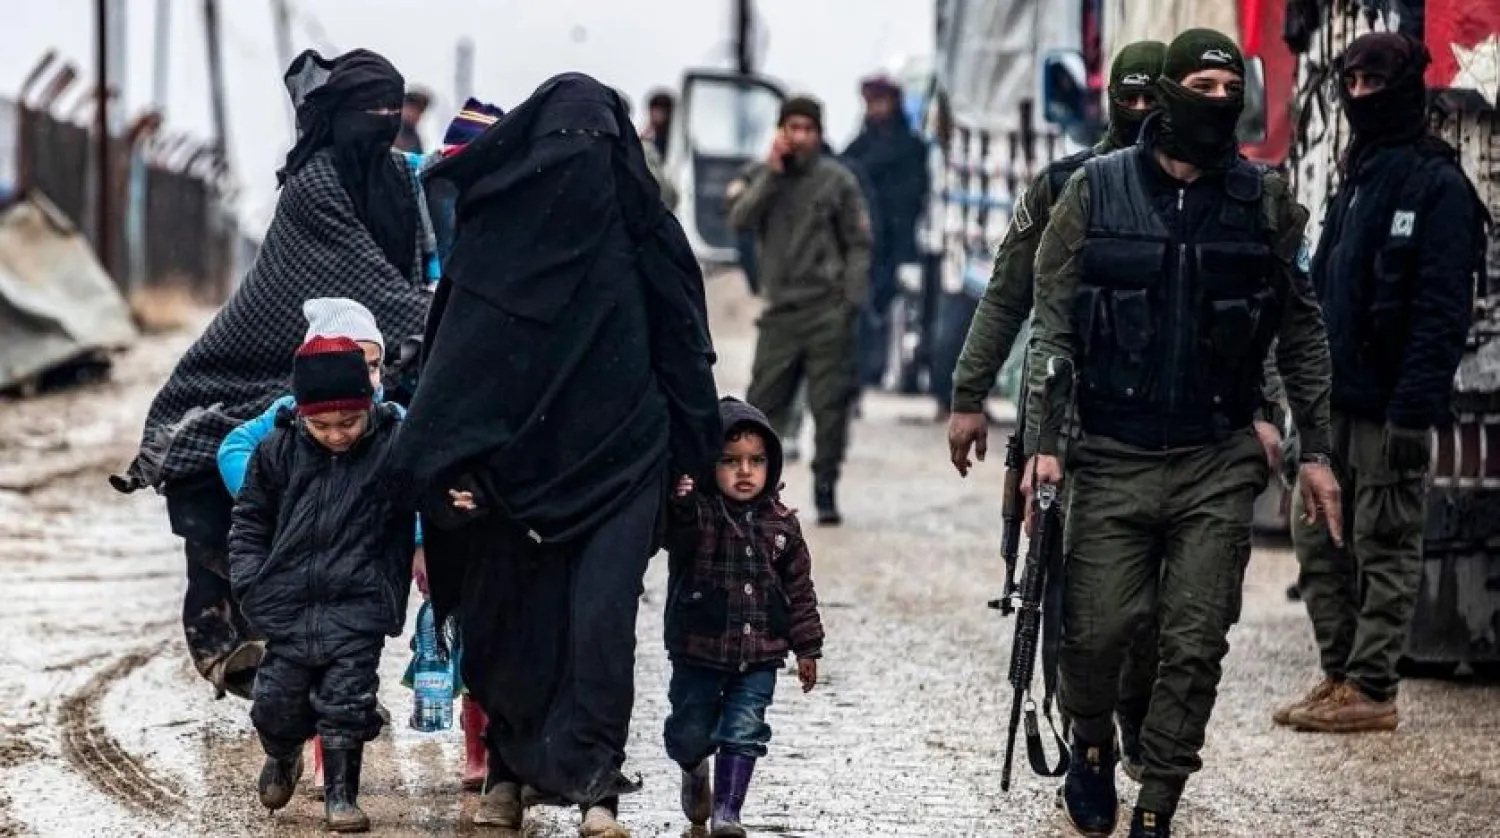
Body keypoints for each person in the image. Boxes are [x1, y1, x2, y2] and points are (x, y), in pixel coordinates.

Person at [1021, 30, 1344, 838]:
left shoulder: (1263, 201)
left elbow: (1300, 331)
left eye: (1226, 86)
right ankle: (1094, 745)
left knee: (1195, 642)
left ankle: (1158, 798)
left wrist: (1317, 453)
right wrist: (1044, 443)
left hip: (1214, 456)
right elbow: (1052, 323)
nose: (1214, 100)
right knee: (1093, 639)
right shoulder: (1093, 193)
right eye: (1198, 83)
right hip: (1112, 452)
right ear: (1165, 92)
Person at [385, 73, 721, 838]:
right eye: (566, 143)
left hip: (625, 462)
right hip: (513, 475)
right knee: (512, 628)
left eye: (596, 145)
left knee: (601, 628)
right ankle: (507, 768)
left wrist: (694, 455)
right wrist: (447, 470)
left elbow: (685, 352)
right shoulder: (498, 245)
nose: (581, 160)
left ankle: (596, 785)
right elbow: (457, 365)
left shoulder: (646, 239)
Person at [107, 48, 431, 701]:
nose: (384, 122)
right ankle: (231, 646)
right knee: (213, 465)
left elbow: (418, 267)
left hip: (355, 375)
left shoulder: (400, 180)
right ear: (339, 114)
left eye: (392, 111)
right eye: (371, 110)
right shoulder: (316, 183)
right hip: (247, 372)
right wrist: (447, 320)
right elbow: (369, 284)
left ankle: (331, 670)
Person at [1274, 32, 1486, 734]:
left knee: (1385, 543)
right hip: (1333, 402)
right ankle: (1340, 676)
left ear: (1405, 87)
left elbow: (1440, 314)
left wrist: (1413, 412)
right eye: (1353, 82)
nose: (1361, 94)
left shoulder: (1439, 187)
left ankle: (1372, 687)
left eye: (1375, 82)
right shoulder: (1357, 174)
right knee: (1319, 542)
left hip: (1391, 407)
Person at [228, 335, 416, 833]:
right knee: (276, 704)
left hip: (358, 605)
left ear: (368, 406)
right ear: (302, 414)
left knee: (347, 701)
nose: (337, 435)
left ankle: (341, 796)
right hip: (287, 606)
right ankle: (282, 750)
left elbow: (430, 494)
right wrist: (250, 582)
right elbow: (249, 523)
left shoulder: (394, 446)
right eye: (322, 425)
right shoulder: (276, 452)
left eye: (349, 422)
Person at [662, 397, 824, 837]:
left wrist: (807, 647)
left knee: (746, 730)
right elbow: (672, 530)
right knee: (688, 731)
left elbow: (800, 591)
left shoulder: (783, 525)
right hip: (699, 650)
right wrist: (679, 498)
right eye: (730, 461)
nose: (745, 471)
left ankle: (728, 811)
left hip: (760, 654)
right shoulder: (699, 514)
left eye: (756, 461)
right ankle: (694, 770)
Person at [728, 95, 874, 525]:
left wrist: (851, 299)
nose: (801, 137)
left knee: (829, 408)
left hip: (827, 311)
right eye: (793, 128)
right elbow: (739, 219)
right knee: (760, 406)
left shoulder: (837, 181)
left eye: (808, 129)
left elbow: (859, 242)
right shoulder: (762, 175)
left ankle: (825, 486)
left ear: (820, 133)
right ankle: (753, 494)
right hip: (781, 312)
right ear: (781, 131)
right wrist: (772, 175)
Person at [843, 75, 929, 391]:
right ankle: (868, 370)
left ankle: (898, 373)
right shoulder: (861, 146)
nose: (874, 109)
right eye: (870, 102)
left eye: (880, 101)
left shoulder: (911, 147)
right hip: (868, 244)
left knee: (901, 311)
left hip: (901, 244)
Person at [396, 87, 432, 153]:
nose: (414, 114)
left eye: (419, 111)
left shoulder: (416, 140)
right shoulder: (390, 132)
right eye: (411, 109)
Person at [641, 89, 674, 159]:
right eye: (652, 111)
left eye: (659, 112)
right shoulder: (651, 133)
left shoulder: (671, 138)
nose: (654, 116)